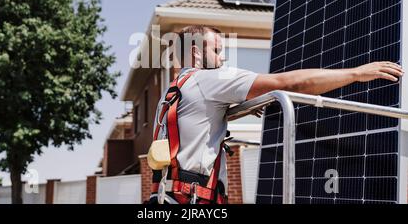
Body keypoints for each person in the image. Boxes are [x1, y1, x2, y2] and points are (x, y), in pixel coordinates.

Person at [148, 25, 404, 204]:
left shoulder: (173, 91)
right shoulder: (210, 78)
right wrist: (357, 73)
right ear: (195, 52)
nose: (223, 58)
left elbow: (199, 120)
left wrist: (239, 108)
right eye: (216, 50)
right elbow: (287, 83)